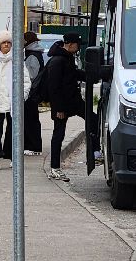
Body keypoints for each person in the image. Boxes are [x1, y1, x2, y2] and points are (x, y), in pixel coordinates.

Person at [42, 32, 87, 181]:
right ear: (71, 44)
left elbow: (74, 75)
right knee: (58, 134)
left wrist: (97, 74)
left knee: (93, 119)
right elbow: (53, 87)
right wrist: (58, 109)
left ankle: (96, 152)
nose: (79, 48)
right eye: (78, 45)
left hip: (73, 102)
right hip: (62, 105)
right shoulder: (58, 61)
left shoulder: (67, 58)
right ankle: (55, 168)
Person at [0, 30, 29, 170]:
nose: (6, 45)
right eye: (4, 43)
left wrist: (21, 96)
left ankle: (13, 157)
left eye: (9, 43)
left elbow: (25, 81)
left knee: (13, 131)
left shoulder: (17, 60)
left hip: (12, 103)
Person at [22, 31, 46, 154]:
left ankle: (33, 146)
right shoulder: (36, 53)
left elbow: (31, 75)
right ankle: (32, 145)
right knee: (31, 119)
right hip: (34, 92)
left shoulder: (32, 55)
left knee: (30, 119)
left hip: (31, 92)